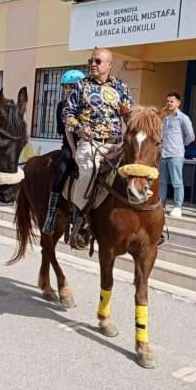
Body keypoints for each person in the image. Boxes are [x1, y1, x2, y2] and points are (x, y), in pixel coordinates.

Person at [63, 48, 133, 249]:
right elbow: (68, 114)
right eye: (91, 61)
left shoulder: (121, 87)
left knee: (137, 171)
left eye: (98, 61)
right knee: (86, 173)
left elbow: (128, 114)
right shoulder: (81, 85)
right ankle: (79, 218)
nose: (93, 64)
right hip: (91, 143)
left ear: (109, 65)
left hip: (117, 143)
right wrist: (79, 128)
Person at [41, 69, 86, 235]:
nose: (68, 90)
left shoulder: (86, 106)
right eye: (65, 87)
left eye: (72, 87)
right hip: (69, 145)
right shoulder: (62, 106)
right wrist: (74, 147)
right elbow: (62, 130)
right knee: (61, 171)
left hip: (88, 145)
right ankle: (51, 215)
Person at [159, 92, 195, 218]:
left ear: (178, 103)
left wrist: (180, 145)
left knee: (177, 182)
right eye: (167, 101)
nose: (169, 103)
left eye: (172, 101)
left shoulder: (183, 118)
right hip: (163, 154)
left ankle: (177, 207)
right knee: (162, 182)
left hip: (175, 154)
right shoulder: (164, 118)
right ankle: (160, 205)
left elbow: (190, 136)